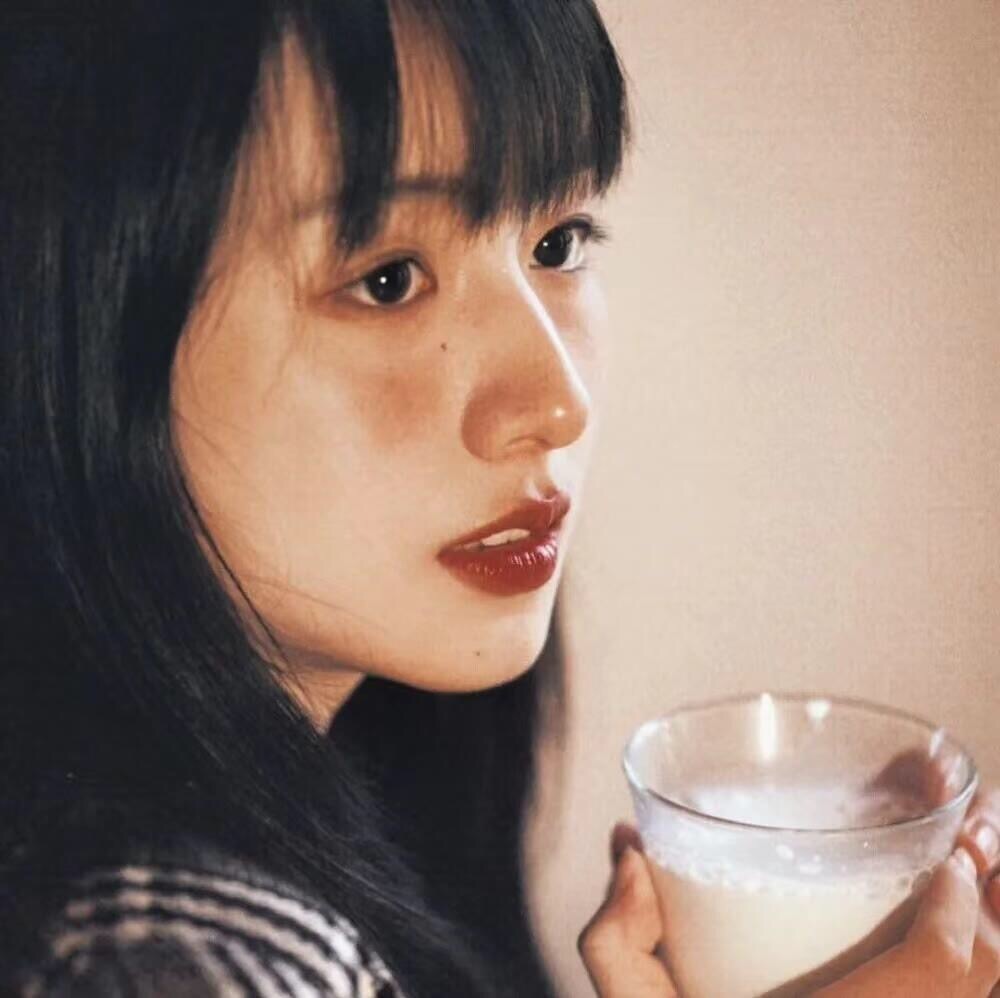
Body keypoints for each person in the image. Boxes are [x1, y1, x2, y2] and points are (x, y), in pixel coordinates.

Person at [0, 3, 997, 997]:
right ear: (73, 329)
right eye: (388, 279)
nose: (558, 403)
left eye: (557, 243)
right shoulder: (178, 961)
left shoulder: (326, 827)